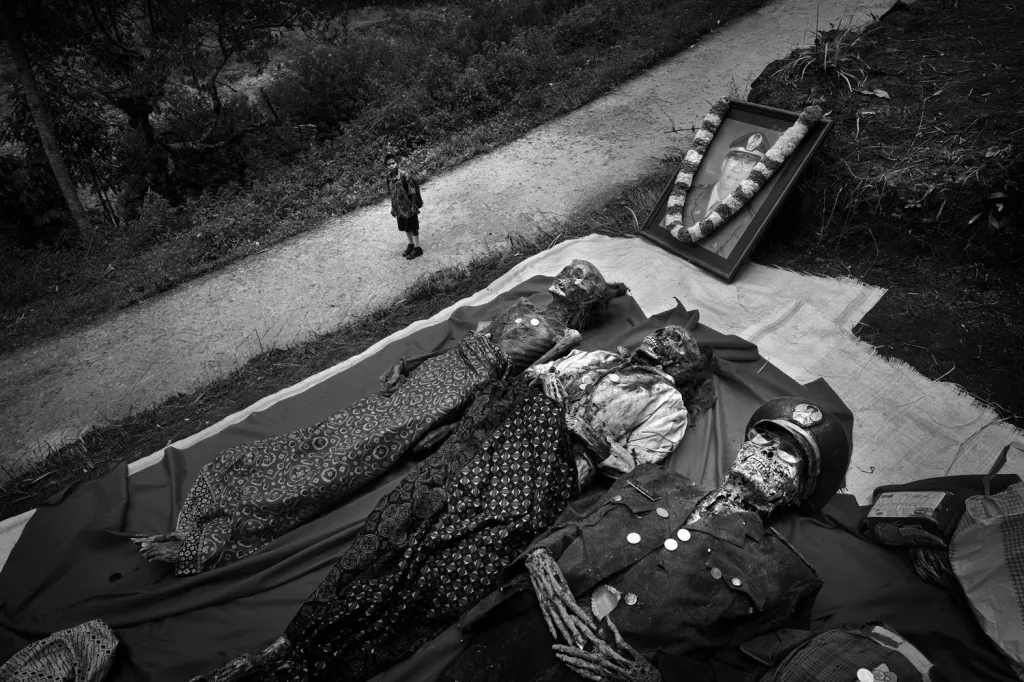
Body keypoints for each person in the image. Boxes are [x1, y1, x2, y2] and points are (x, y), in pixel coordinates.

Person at [188, 326, 716, 682]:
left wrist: (577, 427)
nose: (662, 340)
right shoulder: (598, 356)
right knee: (400, 521)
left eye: (677, 343)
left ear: (685, 366)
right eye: (662, 333)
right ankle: (290, 643)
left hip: (540, 469)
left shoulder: (667, 402)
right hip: (491, 433)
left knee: (450, 554)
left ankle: (321, 664)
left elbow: (635, 469)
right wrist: (530, 387)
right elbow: (533, 376)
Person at [131, 261, 628, 576]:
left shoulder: (564, 337)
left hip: (458, 389)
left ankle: (241, 519)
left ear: (582, 297)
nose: (563, 285)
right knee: (340, 429)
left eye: (573, 283)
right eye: (566, 276)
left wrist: (455, 423)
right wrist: (410, 365)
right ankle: (234, 488)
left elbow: (515, 381)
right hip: (440, 373)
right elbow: (467, 344)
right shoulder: (526, 308)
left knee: (363, 447)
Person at [438, 397, 853, 682]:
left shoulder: (787, 576)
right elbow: (574, 518)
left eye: (788, 453)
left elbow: (750, 666)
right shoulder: (654, 479)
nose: (766, 453)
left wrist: (661, 678)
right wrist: (541, 558)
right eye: (763, 439)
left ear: (803, 487)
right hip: (528, 622)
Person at [683, 131, 774, 258]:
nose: (737, 168)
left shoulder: (745, 221)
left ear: (754, 174)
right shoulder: (690, 193)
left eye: (747, 163)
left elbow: (719, 261)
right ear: (724, 163)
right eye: (735, 159)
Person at [385, 153, 423, 260]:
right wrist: (393, 207)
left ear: (397, 163)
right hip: (399, 208)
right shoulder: (388, 178)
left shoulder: (405, 176)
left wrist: (413, 206)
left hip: (409, 206)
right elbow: (391, 194)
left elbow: (412, 191)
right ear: (386, 166)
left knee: (413, 227)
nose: (391, 165)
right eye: (389, 164)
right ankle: (411, 244)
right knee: (406, 227)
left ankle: (418, 248)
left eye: (393, 163)